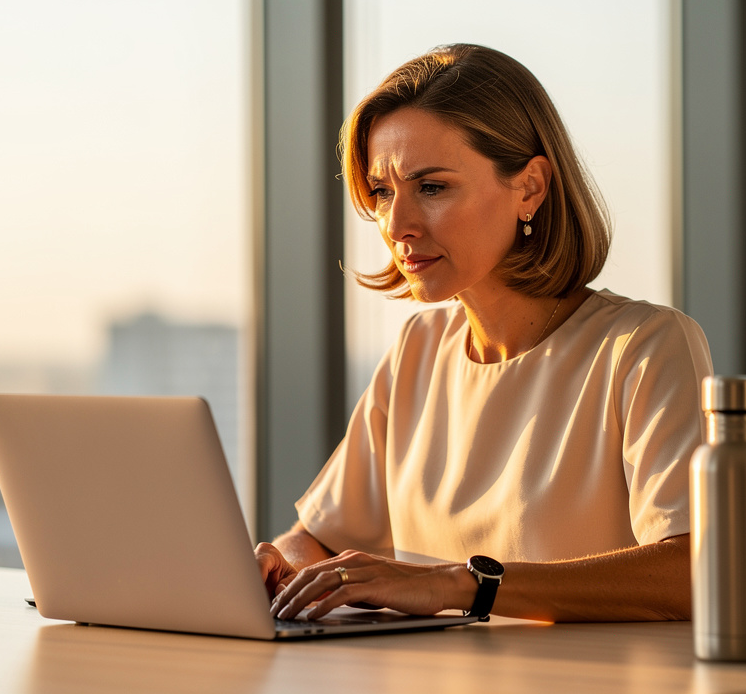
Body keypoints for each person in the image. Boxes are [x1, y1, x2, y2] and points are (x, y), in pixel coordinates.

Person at [256, 43, 713, 623]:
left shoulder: (644, 348)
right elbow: (317, 538)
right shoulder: (419, 350)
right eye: (383, 192)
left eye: (431, 187)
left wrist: (461, 585)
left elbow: (695, 572)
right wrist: (282, 565)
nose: (397, 224)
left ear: (530, 188)